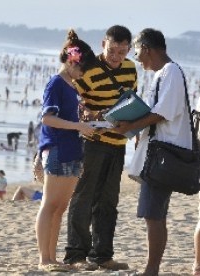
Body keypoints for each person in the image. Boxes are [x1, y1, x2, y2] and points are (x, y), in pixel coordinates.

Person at [113, 28, 191, 276]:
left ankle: (151, 270)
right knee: (153, 213)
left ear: (146, 48)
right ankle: (151, 269)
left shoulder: (171, 72)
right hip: (157, 151)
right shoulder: (163, 74)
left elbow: (161, 113)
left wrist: (131, 125)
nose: (136, 57)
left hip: (163, 154)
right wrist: (133, 128)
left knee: (153, 213)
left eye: (136, 51)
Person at [64, 25, 137, 271]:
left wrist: (134, 128)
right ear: (102, 44)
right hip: (92, 142)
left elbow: (132, 99)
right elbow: (74, 103)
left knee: (108, 201)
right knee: (83, 198)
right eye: (112, 49)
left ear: (129, 49)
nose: (116, 56)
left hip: (118, 142)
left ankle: (102, 255)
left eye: (122, 51)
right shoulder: (89, 68)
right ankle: (76, 255)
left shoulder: (130, 68)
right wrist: (93, 112)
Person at [35, 29, 96, 273]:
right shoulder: (56, 82)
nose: (83, 73)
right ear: (72, 61)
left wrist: (84, 120)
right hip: (58, 147)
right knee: (50, 205)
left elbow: (67, 117)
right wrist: (77, 125)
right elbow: (47, 119)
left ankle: (52, 257)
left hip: (71, 148)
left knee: (60, 208)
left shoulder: (71, 86)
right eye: (82, 68)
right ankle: (44, 259)